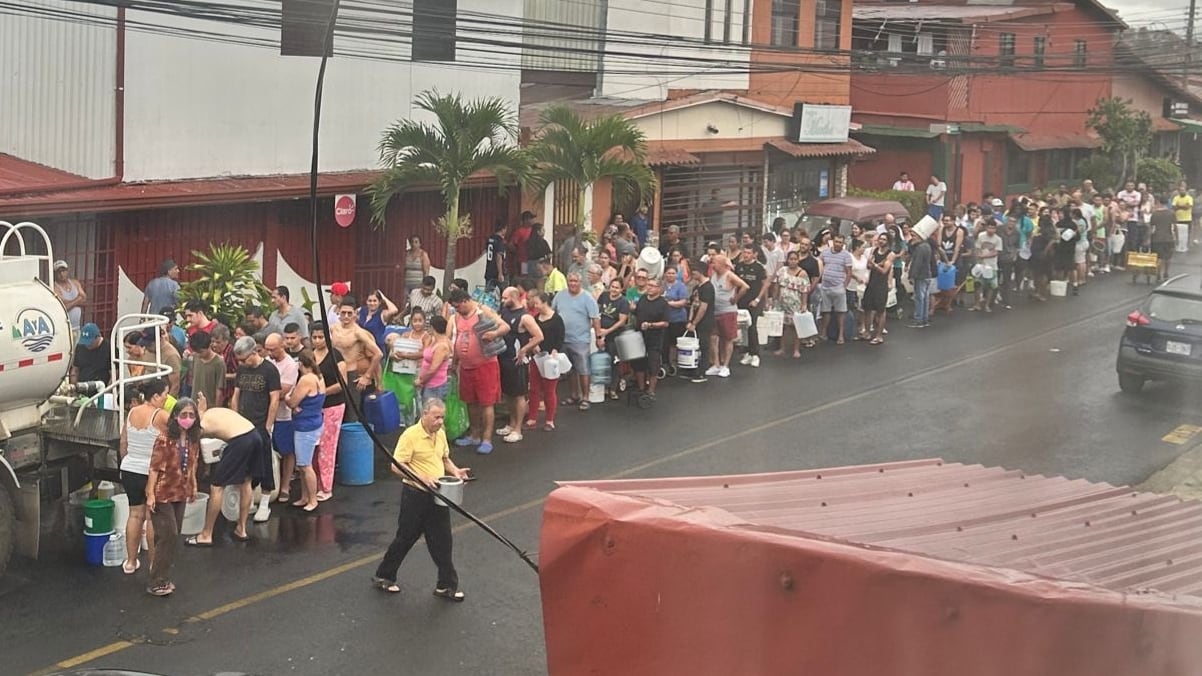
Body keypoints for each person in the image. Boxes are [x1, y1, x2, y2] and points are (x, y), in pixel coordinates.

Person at [372, 398, 471, 600]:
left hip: (437, 494)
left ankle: (446, 586)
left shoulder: (440, 434)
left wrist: (455, 471)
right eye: (436, 417)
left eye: (442, 417)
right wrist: (421, 478)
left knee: (443, 541)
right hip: (415, 495)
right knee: (405, 537)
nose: (440, 421)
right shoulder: (410, 436)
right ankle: (384, 575)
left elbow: (444, 458)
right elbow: (396, 465)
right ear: (424, 414)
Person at [188, 399, 273, 546]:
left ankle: (206, 534)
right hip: (255, 435)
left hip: (241, 440)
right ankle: (241, 528)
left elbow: (192, 456)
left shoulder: (200, 426)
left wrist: (192, 481)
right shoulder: (209, 413)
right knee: (246, 482)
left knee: (217, 487)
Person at [144, 397, 200, 596]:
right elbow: (154, 467)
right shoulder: (164, 438)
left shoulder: (193, 439)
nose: (187, 419)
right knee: (169, 535)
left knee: (168, 538)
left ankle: (163, 576)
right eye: (183, 415)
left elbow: (192, 465)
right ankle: (157, 581)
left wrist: (193, 486)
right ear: (175, 416)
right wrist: (150, 494)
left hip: (180, 492)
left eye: (191, 415)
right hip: (162, 493)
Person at [119, 378, 171, 575]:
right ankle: (153, 564)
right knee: (151, 519)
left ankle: (131, 562)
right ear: (156, 396)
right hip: (150, 472)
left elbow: (123, 441)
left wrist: (125, 462)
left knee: (134, 515)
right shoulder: (161, 416)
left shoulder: (132, 411)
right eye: (165, 394)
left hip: (130, 468)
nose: (167, 398)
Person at [449, 288, 509, 455]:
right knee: (470, 401)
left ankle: (487, 439)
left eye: (458, 306)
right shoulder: (456, 317)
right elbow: (458, 340)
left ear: (466, 301)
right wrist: (455, 362)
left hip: (485, 364)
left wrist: (494, 333)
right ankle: (474, 435)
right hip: (466, 366)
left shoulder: (483, 311)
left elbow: (505, 327)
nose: (457, 310)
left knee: (486, 403)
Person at [497, 287, 542, 443]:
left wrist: (524, 349)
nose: (502, 301)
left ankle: (518, 429)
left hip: (518, 361)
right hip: (504, 357)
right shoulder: (504, 312)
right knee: (508, 394)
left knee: (519, 394)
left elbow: (539, 336)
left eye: (504, 298)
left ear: (513, 297)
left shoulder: (525, 317)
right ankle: (511, 424)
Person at [551, 272, 601, 409]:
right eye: (570, 281)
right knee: (570, 369)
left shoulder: (587, 298)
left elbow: (595, 319)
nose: (572, 284)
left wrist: (598, 337)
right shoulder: (560, 295)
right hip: (563, 339)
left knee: (583, 369)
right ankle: (574, 395)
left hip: (580, 340)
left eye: (575, 281)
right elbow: (552, 312)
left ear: (580, 282)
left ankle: (585, 397)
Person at [283, 351, 325, 512]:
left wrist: (288, 399)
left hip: (305, 427)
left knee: (305, 465)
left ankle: (312, 499)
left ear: (300, 364)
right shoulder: (319, 377)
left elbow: (292, 402)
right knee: (303, 464)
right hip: (315, 421)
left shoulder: (306, 379)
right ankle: (305, 496)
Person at [310, 322, 346, 502]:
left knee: (327, 446)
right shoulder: (310, 356)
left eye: (321, 337)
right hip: (314, 406)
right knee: (314, 447)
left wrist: (322, 391)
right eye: (314, 337)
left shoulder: (336, 356)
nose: (317, 341)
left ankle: (326, 486)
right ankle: (314, 483)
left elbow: (342, 384)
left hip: (333, 405)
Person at [522, 291, 565, 431]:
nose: (535, 306)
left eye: (537, 303)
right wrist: (533, 346)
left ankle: (549, 420)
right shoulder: (535, 318)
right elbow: (531, 335)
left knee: (549, 390)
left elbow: (560, 338)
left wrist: (555, 351)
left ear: (545, 302)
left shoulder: (557, 319)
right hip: (537, 357)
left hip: (550, 358)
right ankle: (532, 417)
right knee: (534, 389)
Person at [265, 334, 299, 508]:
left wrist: (266, 392)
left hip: (284, 415)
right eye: (267, 349)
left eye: (273, 349)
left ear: (282, 346)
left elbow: (282, 390)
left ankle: (285, 485)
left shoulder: (291, 365)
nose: (269, 353)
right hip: (265, 414)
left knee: (287, 451)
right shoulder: (266, 361)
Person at [704, 254, 749, 378]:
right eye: (712, 263)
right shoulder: (713, 275)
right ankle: (716, 364)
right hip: (715, 311)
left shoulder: (729, 275)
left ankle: (726, 366)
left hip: (727, 311)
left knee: (728, 338)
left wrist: (736, 298)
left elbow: (745, 286)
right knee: (713, 337)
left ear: (723, 264)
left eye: (715, 263)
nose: (713, 265)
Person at [632, 278, 669, 399]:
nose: (649, 287)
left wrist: (651, 325)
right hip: (640, 336)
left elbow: (665, 323)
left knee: (653, 364)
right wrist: (633, 309)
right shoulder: (642, 299)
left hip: (655, 338)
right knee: (638, 363)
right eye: (649, 285)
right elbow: (637, 313)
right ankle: (641, 388)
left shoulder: (663, 303)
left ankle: (651, 391)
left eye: (653, 286)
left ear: (659, 288)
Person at [734, 244, 769, 367]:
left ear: (754, 254)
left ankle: (755, 354)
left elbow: (765, 284)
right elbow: (735, 283)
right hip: (741, 301)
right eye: (744, 253)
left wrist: (759, 299)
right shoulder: (739, 266)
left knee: (752, 327)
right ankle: (747, 352)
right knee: (743, 328)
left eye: (749, 253)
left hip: (754, 302)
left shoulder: (759, 267)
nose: (746, 255)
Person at [596, 278, 630, 398]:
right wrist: (598, 332)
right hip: (601, 333)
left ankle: (613, 388)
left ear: (621, 289)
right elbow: (597, 313)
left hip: (615, 336)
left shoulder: (624, 302)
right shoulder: (604, 296)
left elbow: (621, 321)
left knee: (614, 362)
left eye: (617, 287)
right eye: (612, 286)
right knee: (602, 361)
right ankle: (603, 387)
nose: (614, 289)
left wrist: (607, 332)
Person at [773, 250, 811, 358]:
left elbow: (804, 290)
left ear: (798, 260)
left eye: (795, 259)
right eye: (791, 259)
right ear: (787, 260)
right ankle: (782, 348)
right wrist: (774, 299)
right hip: (782, 303)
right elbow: (776, 285)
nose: (793, 261)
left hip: (795, 303)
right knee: (783, 327)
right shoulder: (782, 271)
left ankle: (796, 349)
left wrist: (804, 304)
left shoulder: (802, 273)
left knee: (796, 327)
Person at [817, 235, 853, 344]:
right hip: (825, 286)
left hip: (838, 287)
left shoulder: (846, 255)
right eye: (836, 242)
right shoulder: (825, 253)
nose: (838, 244)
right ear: (833, 242)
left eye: (840, 242)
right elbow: (820, 264)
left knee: (840, 312)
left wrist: (844, 286)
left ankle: (841, 335)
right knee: (825, 311)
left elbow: (849, 272)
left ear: (843, 244)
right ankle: (823, 333)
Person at [686, 262, 715, 382]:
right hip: (694, 321)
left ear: (701, 272)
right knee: (694, 346)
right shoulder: (697, 287)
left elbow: (703, 308)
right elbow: (694, 305)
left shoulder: (708, 287)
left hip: (705, 322)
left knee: (704, 346)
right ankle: (693, 369)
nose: (692, 274)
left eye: (694, 271)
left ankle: (702, 372)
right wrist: (690, 320)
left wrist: (695, 323)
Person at [416, 315, 453, 404]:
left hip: (435, 386)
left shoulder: (442, 346)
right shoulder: (433, 341)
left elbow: (433, 369)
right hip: (428, 384)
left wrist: (421, 380)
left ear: (432, 327)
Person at [661, 266, 690, 371]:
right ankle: (665, 363)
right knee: (665, 342)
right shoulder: (661, 285)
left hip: (678, 319)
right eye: (668, 273)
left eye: (673, 273)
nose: (670, 275)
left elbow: (683, 302)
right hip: (664, 319)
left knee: (675, 342)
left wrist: (669, 303)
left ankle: (675, 362)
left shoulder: (681, 286)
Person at [188, 331, 227, 406]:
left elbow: (219, 390)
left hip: (210, 406)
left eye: (201, 352)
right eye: (196, 352)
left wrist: (216, 409)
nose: (198, 354)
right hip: (194, 404)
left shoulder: (219, 363)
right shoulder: (195, 357)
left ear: (210, 345)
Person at [972, 219, 1003, 312]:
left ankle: (987, 305)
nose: (991, 230)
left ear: (996, 229)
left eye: (993, 228)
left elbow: (997, 252)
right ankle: (977, 304)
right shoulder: (981, 236)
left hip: (992, 266)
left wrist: (984, 255)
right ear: (986, 227)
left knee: (990, 286)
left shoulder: (998, 239)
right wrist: (978, 259)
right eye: (989, 227)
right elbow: (977, 248)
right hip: (980, 264)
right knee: (978, 285)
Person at [358, 289, 401, 353]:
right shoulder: (361, 310)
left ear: (379, 302)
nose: (372, 303)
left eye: (375, 301)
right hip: (362, 348)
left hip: (377, 349)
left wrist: (383, 297)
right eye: (370, 301)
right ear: (366, 301)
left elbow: (394, 310)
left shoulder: (382, 314)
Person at [907, 229, 934, 328]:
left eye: (914, 236)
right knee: (925, 298)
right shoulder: (927, 246)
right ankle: (924, 319)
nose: (912, 238)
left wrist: (912, 276)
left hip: (920, 276)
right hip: (927, 274)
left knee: (919, 298)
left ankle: (918, 319)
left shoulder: (919, 248)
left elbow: (917, 263)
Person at [52, 260, 86, 332]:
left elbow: (84, 300)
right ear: (55, 273)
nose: (61, 274)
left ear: (67, 271)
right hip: (64, 329)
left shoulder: (75, 283)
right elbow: (64, 307)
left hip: (78, 326)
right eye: (59, 272)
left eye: (63, 271)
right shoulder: (55, 288)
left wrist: (70, 303)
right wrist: (78, 299)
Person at [1149, 200, 1177, 281]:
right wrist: (1177, 238)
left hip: (1157, 239)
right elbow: (1174, 227)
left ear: (1159, 203)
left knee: (1159, 258)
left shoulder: (1154, 214)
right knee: (1168, 258)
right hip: (1168, 238)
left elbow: (1152, 228)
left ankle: (1158, 273)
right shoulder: (1171, 213)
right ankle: (1166, 273)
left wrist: (1148, 238)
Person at [485, 220, 508, 291]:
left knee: (488, 294)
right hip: (497, 271)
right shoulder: (500, 240)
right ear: (503, 229)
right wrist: (500, 273)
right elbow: (498, 256)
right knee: (504, 293)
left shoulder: (490, 239)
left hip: (489, 270)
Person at [1173, 183, 1193, 253]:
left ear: (1186, 191)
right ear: (1178, 191)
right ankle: (1178, 246)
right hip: (1178, 219)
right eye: (1181, 190)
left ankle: (1187, 246)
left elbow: (1188, 207)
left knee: (1188, 234)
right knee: (1177, 233)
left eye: (1183, 190)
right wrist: (1183, 206)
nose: (1182, 191)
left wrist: (1179, 206)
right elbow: (1174, 207)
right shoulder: (1176, 198)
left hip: (1187, 219)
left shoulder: (1189, 198)